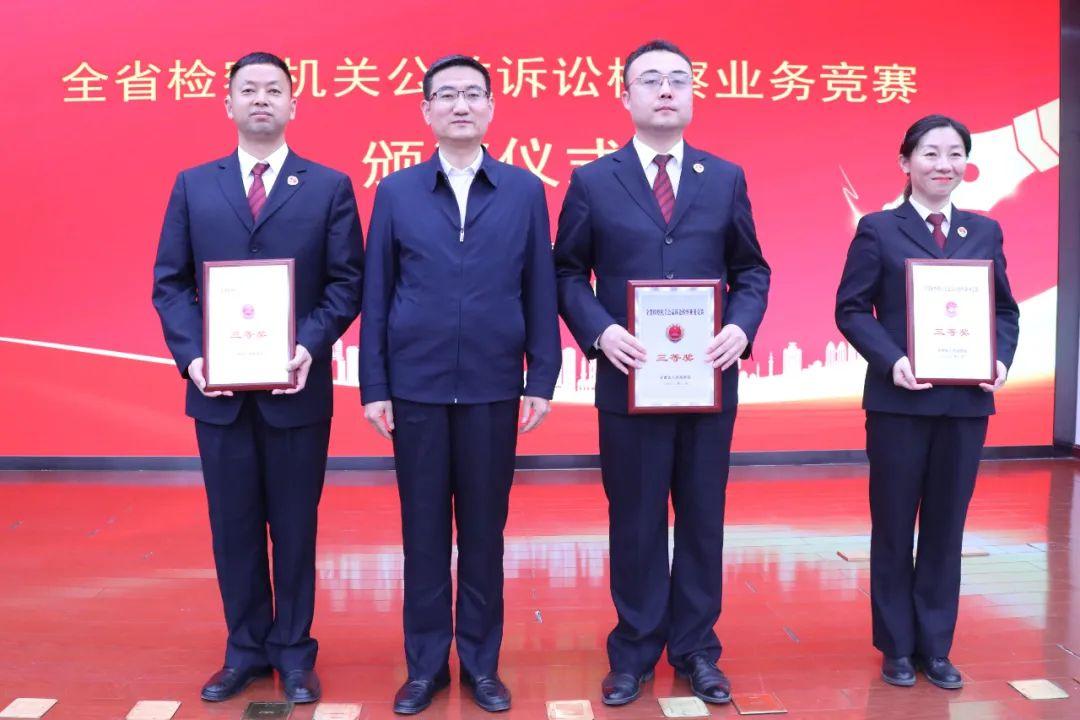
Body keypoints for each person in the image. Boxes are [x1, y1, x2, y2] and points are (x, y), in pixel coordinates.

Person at [553, 39, 770, 706]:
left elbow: (751, 269)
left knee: (703, 518)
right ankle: (634, 650)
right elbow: (567, 272)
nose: (666, 89)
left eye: (678, 79)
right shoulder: (594, 180)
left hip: (707, 380)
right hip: (630, 379)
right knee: (636, 519)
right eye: (650, 80)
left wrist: (741, 326)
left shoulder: (724, 177)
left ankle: (698, 650)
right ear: (626, 97)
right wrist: (600, 331)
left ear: (694, 94)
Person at [152, 51, 363, 704]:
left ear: (294, 104)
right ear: (229, 104)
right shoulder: (194, 185)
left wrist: (306, 344)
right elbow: (170, 284)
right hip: (217, 394)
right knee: (233, 527)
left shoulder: (327, 186)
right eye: (249, 89)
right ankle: (244, 649)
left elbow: (346, 283)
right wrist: (194, 357)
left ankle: (294, 653)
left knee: (295, 528)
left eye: (275, 89)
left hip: (296, 390)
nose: (262, 99)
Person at [358, 54, 561, 714]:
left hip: (492, 386)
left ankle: (480, 663)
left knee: (482, 534)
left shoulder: (524, 191)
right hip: (415, 388)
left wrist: (542, 375)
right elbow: (377, 291)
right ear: (426, 112)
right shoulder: (396, 192)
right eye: (446, 95)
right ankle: (424, 667)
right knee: (422, 534)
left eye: (473, 94)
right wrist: (374, 384)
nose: (461, 105)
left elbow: (540, 286)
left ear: (492, 108)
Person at [835, 114, 1019, 689]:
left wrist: (1000, 359)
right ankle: (895, 646)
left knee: (946, 526)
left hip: (965, 406)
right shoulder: (878, 228)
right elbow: (851, 310)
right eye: (931, 153)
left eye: (955, 154)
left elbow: (1004, 310)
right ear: (906, 162)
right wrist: (892, 360)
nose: (944, 165)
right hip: (899, 404)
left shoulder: (984, 230)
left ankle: (935, 647)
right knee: (893, 525)